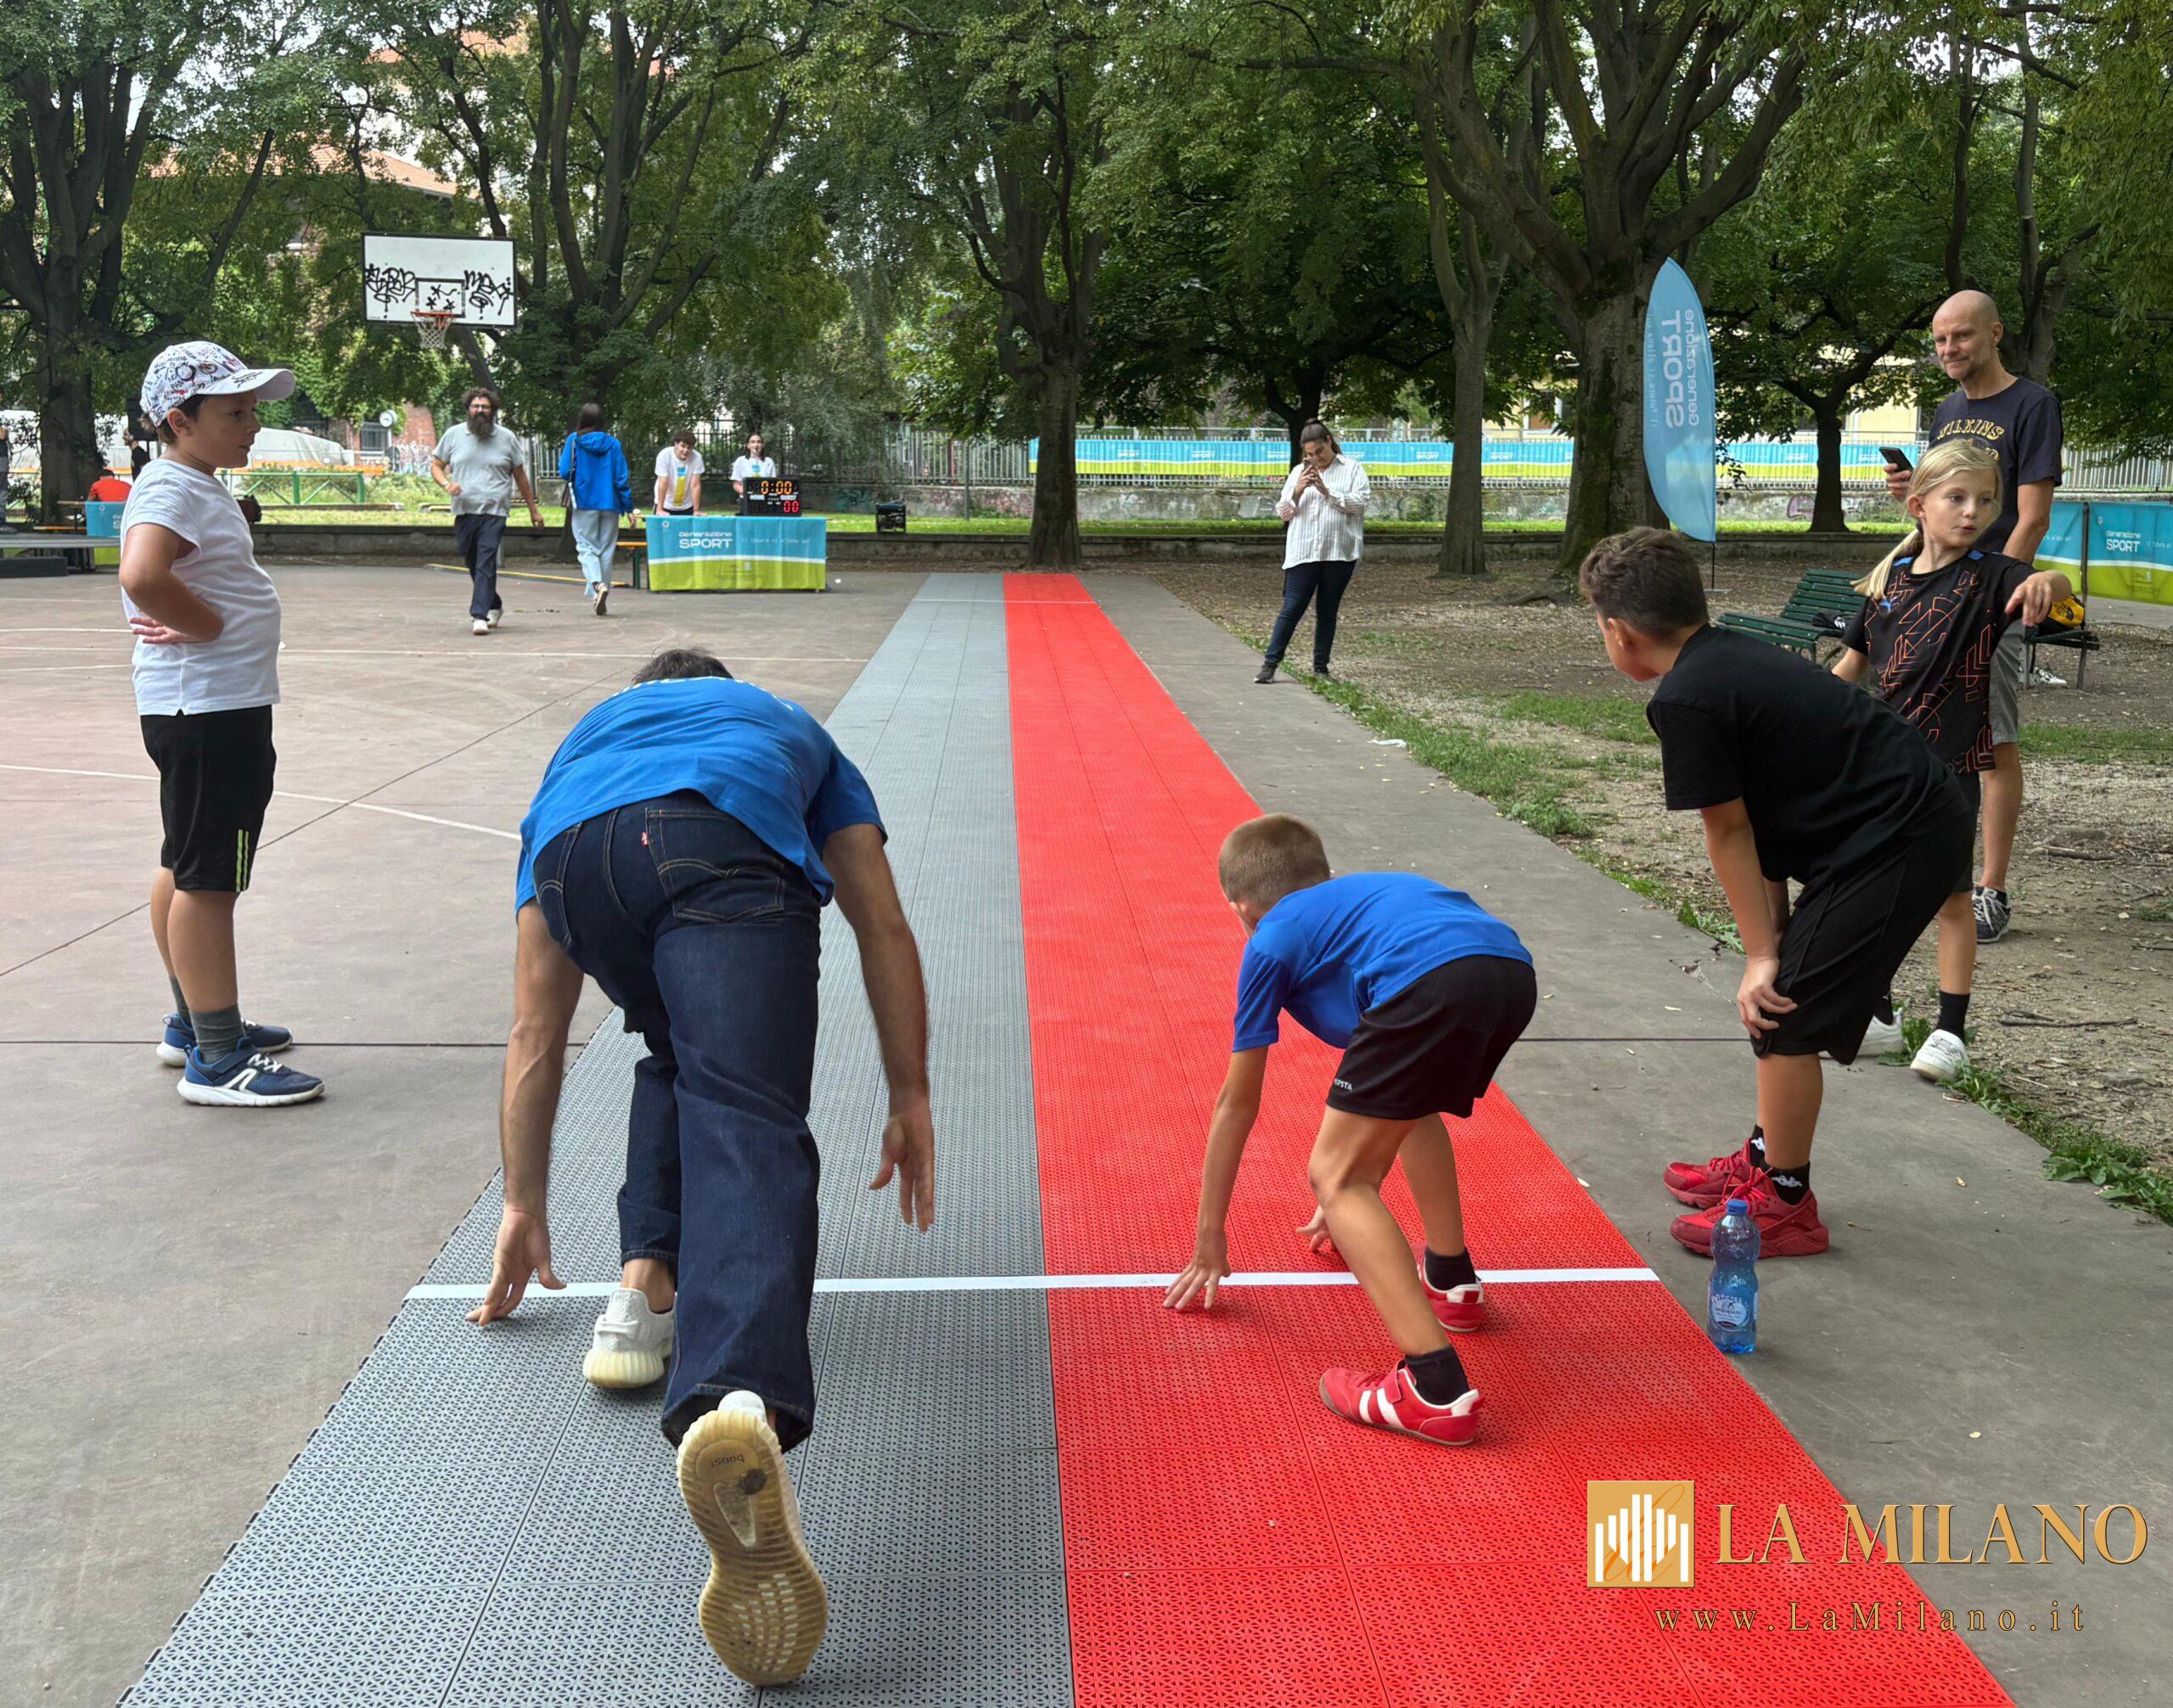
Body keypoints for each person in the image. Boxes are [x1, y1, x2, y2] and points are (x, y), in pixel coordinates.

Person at [468, 645, 935, 1687]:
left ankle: (640, 1293)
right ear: (721, 687)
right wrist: (909, 1091)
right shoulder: (779, 725)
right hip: (719, 845)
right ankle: (735, 1397)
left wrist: (522, 1200)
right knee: (748, 1110)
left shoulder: (580, 754)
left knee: (674, 1050)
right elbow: (881, 921)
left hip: (580, 864)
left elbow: (533, 1035)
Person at [1583, 527, 1974, 1256]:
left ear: (1619, 630)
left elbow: (1727, 831)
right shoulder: (1719, 660)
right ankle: (1767, 1158)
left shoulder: (1690, 699)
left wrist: (1761, 956)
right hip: (1884, 827)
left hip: (1903, 834)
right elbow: (1759, 814)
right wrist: (1776, 931)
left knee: (1784, 1013)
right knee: (1784, 1000)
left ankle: (1785, 1201)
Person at [1163, 814, 1534, 1447]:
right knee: (1410, 1109)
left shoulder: (1270, 939)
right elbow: (1389, 1093)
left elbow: (1237, 1102)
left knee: (1335, 1176)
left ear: (1242, 907)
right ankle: (1451, 1281)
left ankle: (1433, 1387)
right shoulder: (1360, 908)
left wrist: (1210, 1239)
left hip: (1433, 982)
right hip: (1507, 970)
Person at [116, 340, 324, 1108]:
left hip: (201, 709)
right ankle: (218, 1055)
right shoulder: (173, 487)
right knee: (211, 879)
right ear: (180, 420)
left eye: (253, 411)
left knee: (185, 862)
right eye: (235, 413)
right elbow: (142, 573)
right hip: (208, 711)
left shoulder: (187, 480)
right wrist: (204, 626)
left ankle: (192, 1020)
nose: (252, 426)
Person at [1835, 441, 2073, 1084]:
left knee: (1950, 900)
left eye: (1986, 500)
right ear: (1919, 506)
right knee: (1874, 893)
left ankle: (1950, 1031)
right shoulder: (1887, 587)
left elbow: (2050, 585)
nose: (1974, 512)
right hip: (1883, 773)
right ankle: (1878, 1015)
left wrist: (2050, 581)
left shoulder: (1992, 577)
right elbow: (1849, 674)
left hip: (1950, 774)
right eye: (1957, 498)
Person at [1884, 291, 2064, 946]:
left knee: (1992, 744)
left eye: (1960, 337)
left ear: (1995, 334)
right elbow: (1947, 495)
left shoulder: (2032, 405)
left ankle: (1991, 890)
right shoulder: (1948, 410)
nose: (1948, 350)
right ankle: (1929, 869)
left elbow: (2033, 515)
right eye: (1938, 341)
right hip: (1932, 592)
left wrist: (1992, 595)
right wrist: (1917, 496)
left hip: (1990, 600)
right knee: (1924, 731)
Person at [1257, 422, 1369, 684]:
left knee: (1327, 610)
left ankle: (1321, 668)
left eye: (1319, 451)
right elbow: (1284, 513)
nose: (1316, 459)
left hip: (1339, 552)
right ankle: (1270, 664)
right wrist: (1297, 490)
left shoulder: (1352, 469)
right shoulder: (1299, 472)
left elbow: (1359, 503)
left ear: (1329, 442)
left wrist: (1325, 491)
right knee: (1292, 607)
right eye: (1310, 454)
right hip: (1304, 551)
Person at [431, 387, 543, 637]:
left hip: (495, 511)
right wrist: (446, 484)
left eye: (485, 407)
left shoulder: (506, 438)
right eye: (476, 407)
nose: (480, 411)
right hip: (464, 510)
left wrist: (533, 510)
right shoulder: (453, 435)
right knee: (472, 561)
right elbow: (437, 466)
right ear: (468, 409)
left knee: (485, 561)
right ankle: (494, 604)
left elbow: (521, 477)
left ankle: (478, 616)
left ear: (493, 411)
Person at [558, 402, 632, 616]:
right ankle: (598, 595)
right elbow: (621, 478)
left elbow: (564, 471)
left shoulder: (574, 441)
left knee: (586, 547)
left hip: (583, 502)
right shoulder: (614, 444)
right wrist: (628, 507)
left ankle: (597, 585)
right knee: (606, 550)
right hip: (611, 503)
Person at [654, 429, 705, 515]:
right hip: (665, 504)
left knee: (686, 529)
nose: (686, 450)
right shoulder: (664, 455)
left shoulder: (697, 457)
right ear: (676, 444)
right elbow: (663, 482)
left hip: (687, 505)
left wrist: (696, 510)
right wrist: (660, 509)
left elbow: (695, 485)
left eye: (689, 448)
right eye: (683, 446)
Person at [729, 431, 777, 505]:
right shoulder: (741, 461)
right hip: (746, 500)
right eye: (753, 442)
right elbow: (736, 484)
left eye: (759, 442)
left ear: (763, 445)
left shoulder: (769, 462)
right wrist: (746, 493)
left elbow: (773, 483)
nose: (756, 445)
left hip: (765, 500)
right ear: (748, 445)